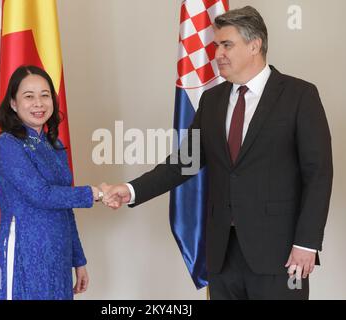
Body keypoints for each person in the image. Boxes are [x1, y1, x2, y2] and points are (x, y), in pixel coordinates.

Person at [102, 6, 333, 300]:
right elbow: (182, 164)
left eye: (227, 45)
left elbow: (319, 174)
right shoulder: (212, 100)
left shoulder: (300, 95)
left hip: (281, 253)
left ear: (255, 45)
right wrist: (130, 190)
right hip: (222, 254)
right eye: (215, 46)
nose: (217, 54)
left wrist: (307, 243)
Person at [0, 65, 104, 300]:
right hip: (25, 252)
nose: (39, 103)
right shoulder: (7, 145)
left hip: (57, 254)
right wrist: (95, 193)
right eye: (28, 96)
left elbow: (64, 208)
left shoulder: (54, 146)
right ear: (13, 103)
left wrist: (78, 260)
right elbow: (41, 194)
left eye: (45, 95)